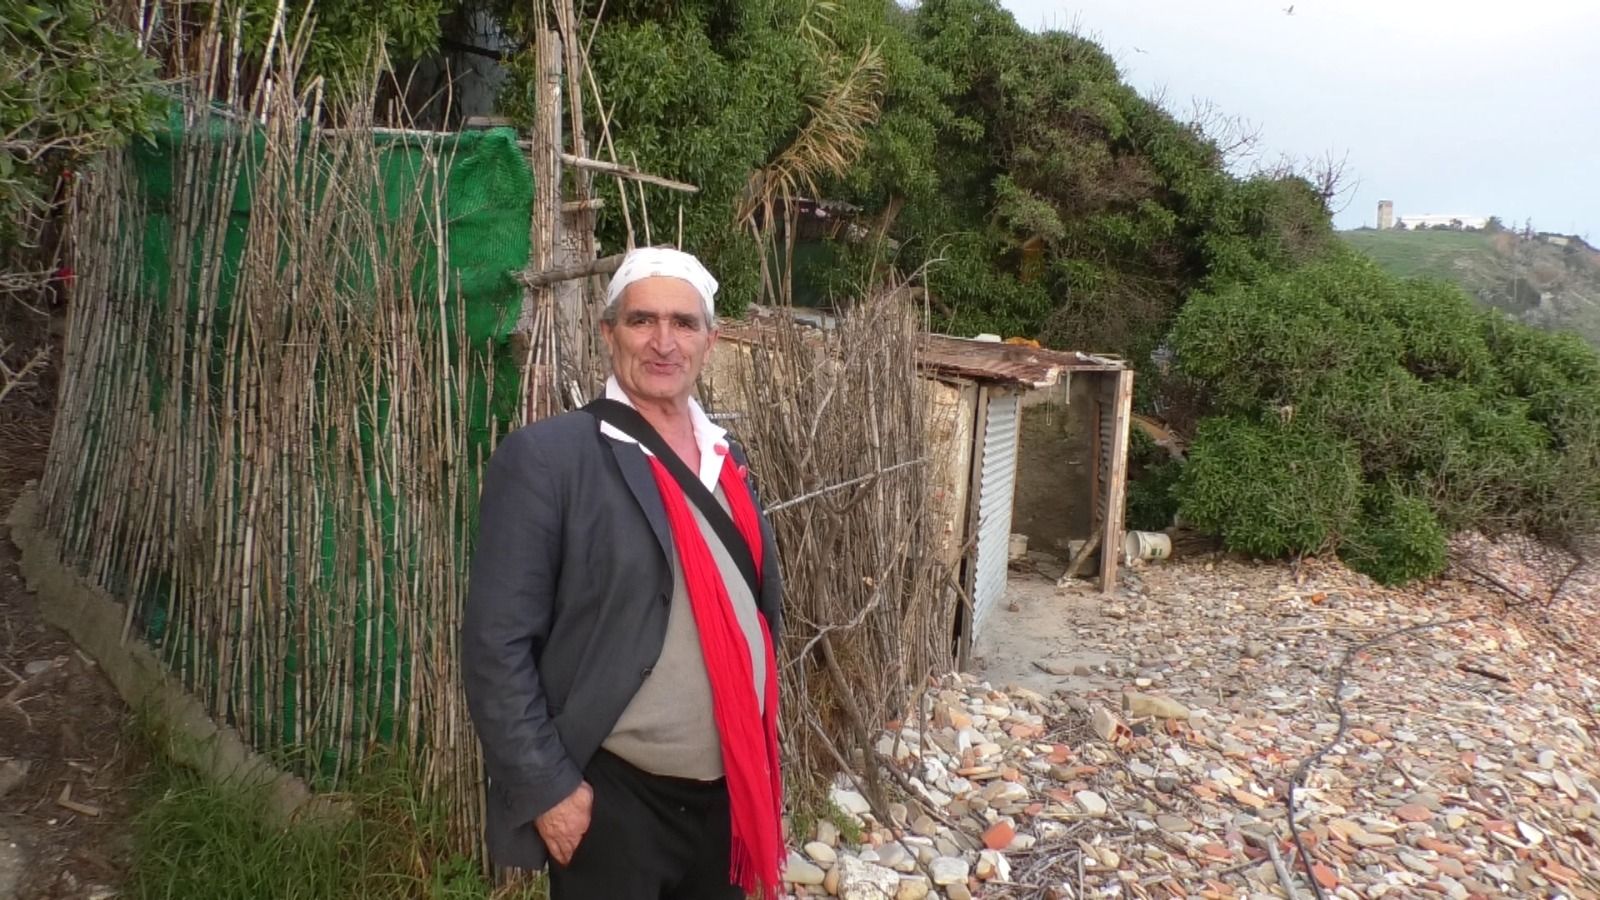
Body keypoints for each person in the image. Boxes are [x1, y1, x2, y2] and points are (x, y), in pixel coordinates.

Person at [462, 247, 785, 900]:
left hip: (728, 796)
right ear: (608, 333)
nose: (664, 342)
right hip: (616, 805)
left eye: (684, 323)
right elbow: (495, 645)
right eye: (642, 321)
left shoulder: (728, 460)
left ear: (710, 341)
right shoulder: (552, 460)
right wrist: (549, 788)